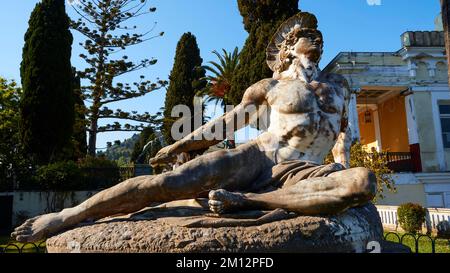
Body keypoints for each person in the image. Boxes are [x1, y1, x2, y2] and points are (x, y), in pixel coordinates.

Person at [12, 12, 376, 243]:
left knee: (361, 182)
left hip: (305, 171)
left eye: (319, 35)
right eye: (308, 34)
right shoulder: (270, 87)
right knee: (165, 184)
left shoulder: (339, 86)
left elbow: (344, 137)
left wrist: (340, 164)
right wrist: (180, 144)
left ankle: (246, 201)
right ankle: (67, 215)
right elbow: (228, 122)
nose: (317, 38)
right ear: (287, 48)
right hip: (258, 156)